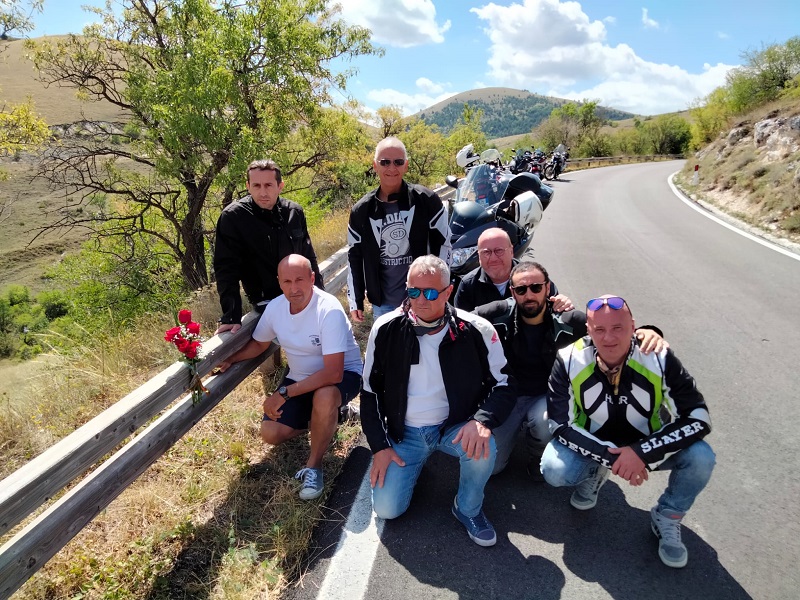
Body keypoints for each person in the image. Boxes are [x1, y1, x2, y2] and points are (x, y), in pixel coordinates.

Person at [541, 295, 715, 568]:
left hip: (649, 442)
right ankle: (595, 472)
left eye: (618, 328)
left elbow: (698, 417)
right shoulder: (568, 358)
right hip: (596, 442)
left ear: (633, 326)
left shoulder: (658, 356)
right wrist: (612, 459)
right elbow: (559, 424)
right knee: (554, 469)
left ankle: (668, 515)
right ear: (588, 330)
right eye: (599, 329)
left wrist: (642, 453)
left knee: (702, 457)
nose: (609, 338)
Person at [360, 255, 515, 547]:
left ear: (448, 291)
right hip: (404, 432)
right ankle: (412, 469)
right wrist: (379, 447)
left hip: (453, 426)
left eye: (431, 293)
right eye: (413, 291)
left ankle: (467, 508)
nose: (420, 300)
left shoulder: (477, 330)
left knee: (484, 448)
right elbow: (369, 392)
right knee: (387, 510)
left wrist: (481, 421)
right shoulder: (386, 328)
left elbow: (505, 384)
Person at [474, 262, 666, 476]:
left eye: (536, 287)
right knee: (492, 468)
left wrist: (647, 332)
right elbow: (463, 321)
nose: (529, 295)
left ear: (548, 288)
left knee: (544, 422)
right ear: (513, 292)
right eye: (521, 290)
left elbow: (608, 331)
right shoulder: (499, 313)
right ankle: (511, 438)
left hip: (547, 395)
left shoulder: (567, 319)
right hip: (508, 395)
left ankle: (537, 454)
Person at [215, 255, 363, 500]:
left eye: (299, 280)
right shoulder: (276, 308)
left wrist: (283, 393)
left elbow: (333, 373)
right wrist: (232, 358)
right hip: (300, 376)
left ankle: (314, 466)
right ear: (279, 282)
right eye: (287, 282)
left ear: (312, 279)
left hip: (342, 376)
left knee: (325, 396)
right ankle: (332, 416)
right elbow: (259, 344)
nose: (294, 288)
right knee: (270, 433)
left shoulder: (328, 310)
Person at [347, 136, 451, 323]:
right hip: (384, 304)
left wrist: (441, 289)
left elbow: (445, 245)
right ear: (375, 166)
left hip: (425, 298)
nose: (392, 168)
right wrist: (355, 300)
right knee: (389, 343)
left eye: (398, 162)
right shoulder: (361, 211)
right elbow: (354, 256)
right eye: (385, 162)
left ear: (406, 166)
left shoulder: (427, 201)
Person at [214, 159, 323, 334]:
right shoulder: (233, 217)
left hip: (302, 294)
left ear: (280, 186)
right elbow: (226, 269)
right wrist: (231, 316)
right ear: (248, 186)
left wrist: (320, 294)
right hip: (267, 302)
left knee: (326, 331)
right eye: (256, 186)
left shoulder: (294, 212)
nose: (263, 192)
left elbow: (308, 257)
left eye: (268, 185)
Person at [453, 228, 565, 312]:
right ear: (479, 256)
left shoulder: (533, 277)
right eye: (486, 252)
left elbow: (557, 308)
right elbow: (462, 326)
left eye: (499, 250)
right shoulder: (468, 285)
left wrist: (562, 303)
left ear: (511, 251)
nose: (493, 258)